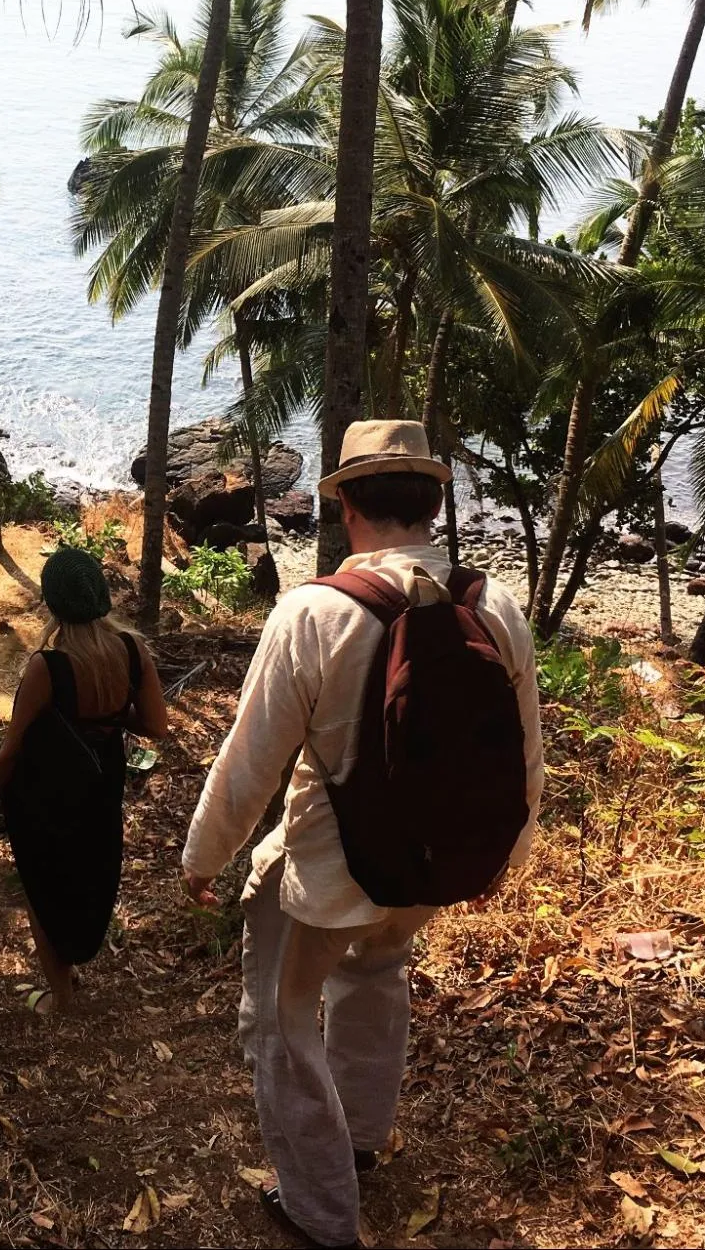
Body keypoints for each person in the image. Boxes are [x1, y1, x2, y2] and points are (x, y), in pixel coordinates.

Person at [182, 420, 543, 1250]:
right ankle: (360, 1140)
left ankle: (317, 1208)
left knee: (283, 1016)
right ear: (430, 504)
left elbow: (251, 763)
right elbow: (526, 750)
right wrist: (502, 857)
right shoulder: (493, 603)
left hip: (329, 863)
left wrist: (202, 857)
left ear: (345, 505)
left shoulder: (312, 612)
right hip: (436, 858)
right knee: (379, 970)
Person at [0, 545, 167, 1013]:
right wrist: (111, 716)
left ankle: (61, 998)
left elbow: (10, 754)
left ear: (52, 603)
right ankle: (72, 965)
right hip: (102, 784)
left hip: (46, 791)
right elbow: (155, 726)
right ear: (102, 596)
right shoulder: (132, 651)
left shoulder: (48, 666)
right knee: (87, 871)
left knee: (43, 882)